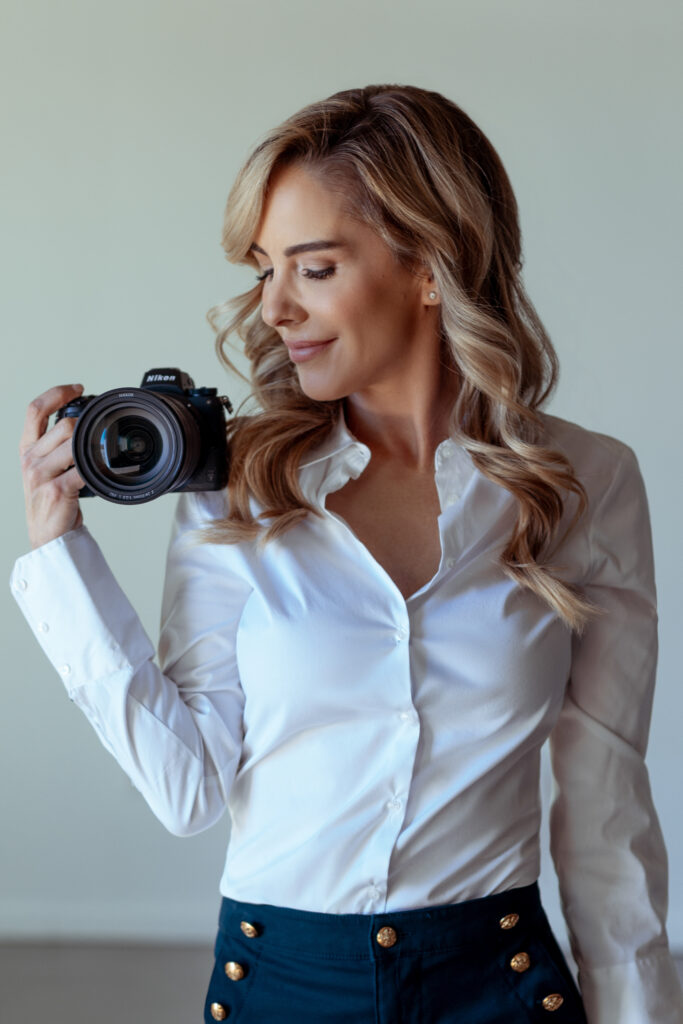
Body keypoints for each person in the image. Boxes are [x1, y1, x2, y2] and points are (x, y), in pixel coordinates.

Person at [13, 84, 683, 1024]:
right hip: (279, 987)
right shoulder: (237, 484)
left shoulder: (585, 481)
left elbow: (606, 811)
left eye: (313, 268)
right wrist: (58, 551)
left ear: (429, 267)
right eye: (262, 270)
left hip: (501, 986)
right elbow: (187, 788)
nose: (274, 309)